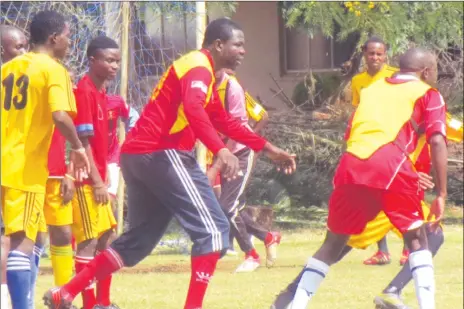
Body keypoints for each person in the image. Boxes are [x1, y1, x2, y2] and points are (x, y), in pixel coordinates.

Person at [43, 17, 296, 309]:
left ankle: (66, 292)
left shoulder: (203, 71)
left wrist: (266, 147)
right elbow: (193, 109)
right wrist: (219, 149)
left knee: (138, 242)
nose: (243, 51)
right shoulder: (198, 67)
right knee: (214, 231)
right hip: (162, 153)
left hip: (139, 156)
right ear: (218, 45)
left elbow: (220, 118)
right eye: (238, 44)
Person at [275, 47, 447, 309]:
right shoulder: (428, 94)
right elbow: (437, 139)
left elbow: (352, 134)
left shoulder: (371, 90)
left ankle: (293, 303)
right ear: (427, 71)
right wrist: (443, 194)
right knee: (417, 240)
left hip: (351, 166)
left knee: (333, 244)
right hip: (391, 167)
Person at [1, 10, 89, 309]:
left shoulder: (9, 68)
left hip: (7, 159)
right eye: (67, 36)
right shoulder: (53, 69)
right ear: (54, 39)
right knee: (21, 243)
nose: (69, 43)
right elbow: (59, 115)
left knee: (29, 238)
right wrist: (77, 147)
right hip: (22, 167)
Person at [207, 68, 280, 272]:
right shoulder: (206, 86)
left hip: (239, 151)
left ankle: (251, 255)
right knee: (233, 206)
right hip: (222, 151)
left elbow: (250, 121)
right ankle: (268, 237)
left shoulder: (233, 88)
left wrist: (251, 140)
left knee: (226, 206)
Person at [69, 36, 121, 309]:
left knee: (105, 238)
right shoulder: (85, 90)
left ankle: (104, 302)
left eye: (117, 61)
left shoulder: (102, 92)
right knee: (88, 243)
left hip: (99, 177)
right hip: (87, 180)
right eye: (109, 60)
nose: (115, 66)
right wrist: (98, 180)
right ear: (93, 60)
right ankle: (89, 304)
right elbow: (83, 141)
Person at [351, 36, 401, 265]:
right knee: (373, 196)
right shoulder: (357, 81)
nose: (375, 58)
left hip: (393, 143)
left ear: (386, 55)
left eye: (379, 54)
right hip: (367, 146)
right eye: (371, 53)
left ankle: (411, 248)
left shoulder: (395, 77)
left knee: (399, 196)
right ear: (364, 54)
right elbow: (356, 113)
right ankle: (383, 251)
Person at [0, 23, 28, 309]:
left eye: (25, 46)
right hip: (10, 164)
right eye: (17, 47)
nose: (23, 52)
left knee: (10, 237)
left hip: (15, 165)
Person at [106, 94, 140, 217]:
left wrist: (129, 142)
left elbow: (133, 116)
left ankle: (109, 233)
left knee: (108, 201)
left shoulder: (115, 101)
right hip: (90, 157)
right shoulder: (83, 99)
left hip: (111, 157)